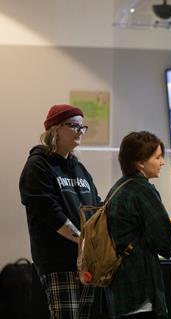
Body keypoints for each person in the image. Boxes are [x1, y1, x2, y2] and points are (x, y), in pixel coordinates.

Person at [103, 131, 171, 319]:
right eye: (157, 157)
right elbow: (165, 241)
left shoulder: (119, 187)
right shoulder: (143, 190)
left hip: (119, 288)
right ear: (140, 163)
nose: (162, 162)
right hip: (140, 289)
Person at [19, 104, 100, 318]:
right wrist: (84, 239)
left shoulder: (80, 169)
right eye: (74, 126)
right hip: (57, 262)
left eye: (83, 127)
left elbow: (96, 207)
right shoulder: (38, 166)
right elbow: (51, 214)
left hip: (87, 262)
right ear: (54, 129)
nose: (80, 132)